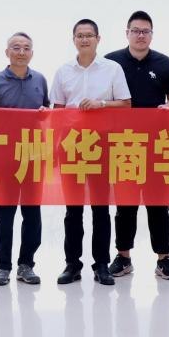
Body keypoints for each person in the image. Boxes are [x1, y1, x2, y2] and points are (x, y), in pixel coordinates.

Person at [105, 11, 169, 281]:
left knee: (158, 204)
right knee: (125, 204)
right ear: (127, 33)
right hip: (123, 145)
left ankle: (164, 259)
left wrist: (168, 106)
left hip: (158, 145)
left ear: (151, 34)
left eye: (145, 31)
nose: (140, 35)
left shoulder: (164, 62)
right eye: (136, 31)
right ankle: (123, 257)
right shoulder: (111, 62)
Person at [52, 18, 131, 286]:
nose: (84, 39)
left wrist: (102, 104)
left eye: (89, 35)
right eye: (80, 35)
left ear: (98, 39)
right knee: (73, 209)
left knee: (100, 208)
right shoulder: (63, 71)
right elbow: (57, 111)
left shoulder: (112, 69)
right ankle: (72, 264)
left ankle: (101, 265)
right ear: (73, 39)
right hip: (72, 145)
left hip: (101, 145)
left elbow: (126, 104)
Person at [0, 32, 49, 286]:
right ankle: (2, 266)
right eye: (16, 47)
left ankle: (26, 264)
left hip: (33, 155)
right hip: (5, 159)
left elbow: (47, 113)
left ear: (32, 53)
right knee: (5, 215)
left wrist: (45, 113)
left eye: (26, 48)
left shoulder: (40, 79)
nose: (21, 52)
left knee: (32, 214)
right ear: (7, 52)